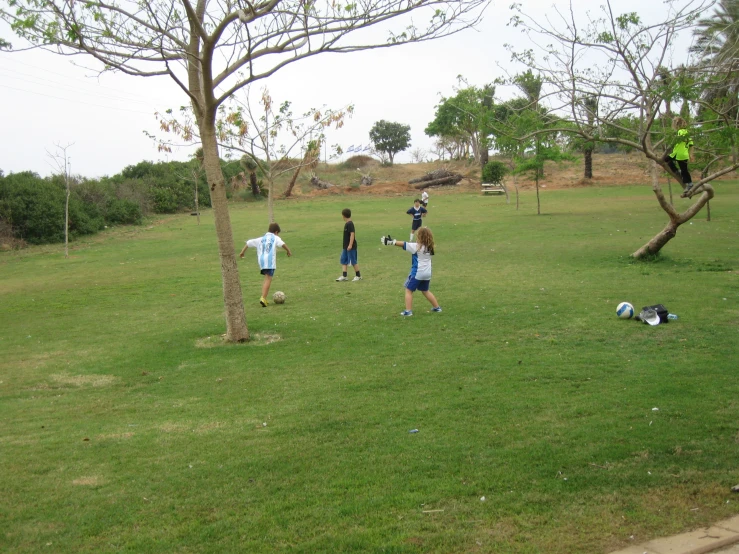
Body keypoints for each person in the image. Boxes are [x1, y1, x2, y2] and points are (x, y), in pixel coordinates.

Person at [380, 227, 441, 317]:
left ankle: (408, 311)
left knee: (408, 290)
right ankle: (437, 307)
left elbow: (404, 244)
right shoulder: (430, 247)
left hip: (417, 273)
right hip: (427, 273)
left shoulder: (416, 246)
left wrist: (391, 242)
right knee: (425, 290)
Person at [239, 222, 292, 307]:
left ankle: (263, 297)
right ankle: (263, 298)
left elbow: (248, 243)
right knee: (268, 278)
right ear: (276, 232)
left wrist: (242, 252)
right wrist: (288, 251)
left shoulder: (261, 238)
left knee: (267, 277)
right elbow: (282, 244)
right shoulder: (275, 238)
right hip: (269, 260)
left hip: (261, 261)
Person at [663, 116, 695, 197]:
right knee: (668, 160)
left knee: (684, 170)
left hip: (679, 154)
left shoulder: (681, 132)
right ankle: (678, 171)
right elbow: (691, 145)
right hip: (679, 154)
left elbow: (679, 139)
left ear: (677, 125)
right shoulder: (687, 132)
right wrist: (691, 154)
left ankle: (690, 183)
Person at [336, 208, 362, 282]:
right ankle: (344, 276)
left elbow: (352, 234)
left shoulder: (350, 224)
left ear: (343, 216)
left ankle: (358, 275)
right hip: (345, 247)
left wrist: (350, 245)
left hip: (351, 247)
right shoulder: (347, 224)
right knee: (343, 260)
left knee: (353, 261)